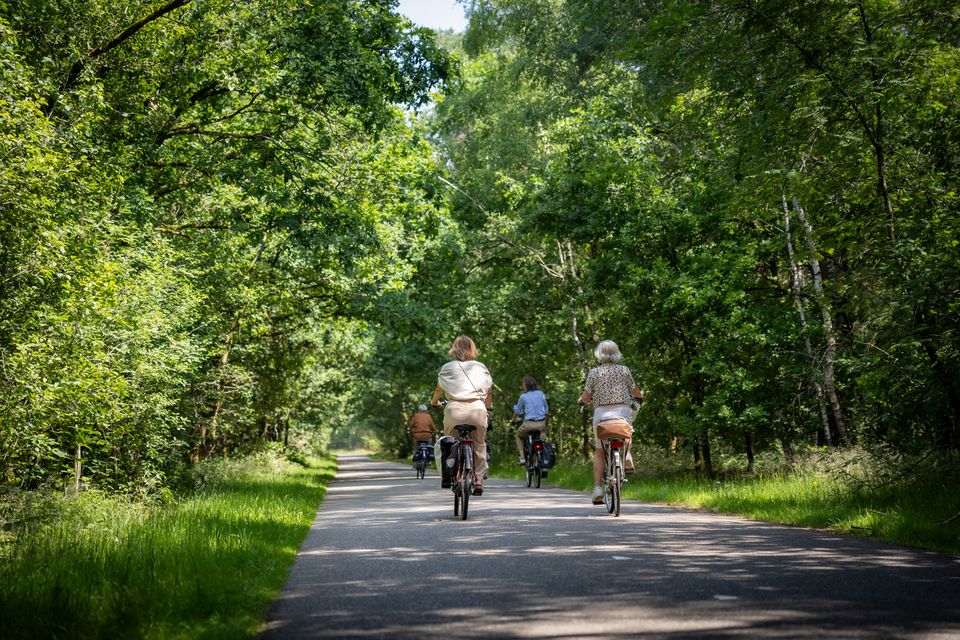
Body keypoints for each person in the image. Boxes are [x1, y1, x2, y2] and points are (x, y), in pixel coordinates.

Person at [577, 340, 643, 504]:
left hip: (602, 415)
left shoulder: (594, 373)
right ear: (617, 353)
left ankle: (598, 488)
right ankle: (627, 455)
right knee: (627, 429)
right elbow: (635, 391)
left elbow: (586, 397)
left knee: (600, 451)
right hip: (621, 412)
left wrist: (581, 401)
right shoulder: (624, 370)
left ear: (599, 354)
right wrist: (639, 397)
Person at [431, 335, 493, 495]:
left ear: (454, 349)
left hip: (454, 411)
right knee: (479, 444)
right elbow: (489, 391)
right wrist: (488, 408)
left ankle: (448, 475)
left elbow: (439, 389)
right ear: (472, 349)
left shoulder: (447, 368)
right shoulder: (480, 367)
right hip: (477, 410)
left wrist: (435, 402)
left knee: (449, 443)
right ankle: (478, 480)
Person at [511, 376, 549, 464]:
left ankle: (522, 458)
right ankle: (544, 462)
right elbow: (546, 409)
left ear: (525, 386)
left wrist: (513, 420)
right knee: (543, 438)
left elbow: (517, 410)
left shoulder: (523, 396)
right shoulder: (541, 394)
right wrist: (546, 421)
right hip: (541, 424)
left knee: (518, 436)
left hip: (528, 425)